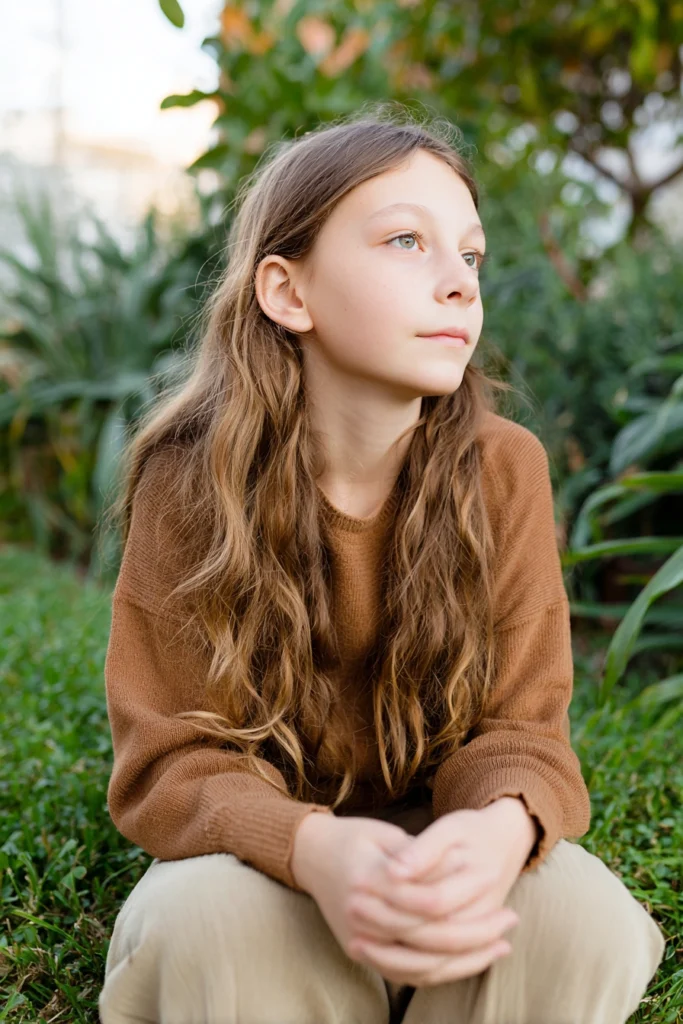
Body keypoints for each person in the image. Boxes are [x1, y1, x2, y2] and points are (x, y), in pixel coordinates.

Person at [97, 103, 666, 1024]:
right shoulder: (187, 476)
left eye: (470, 256)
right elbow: (171, 760)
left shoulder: (503, 468)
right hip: (265, 871)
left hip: (443, 862)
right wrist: (313, 851)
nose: (457, 283)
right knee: (198, 918)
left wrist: (498, 829)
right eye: (406, 241)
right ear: (287, 292)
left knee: (583, 914)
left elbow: (522, 732)